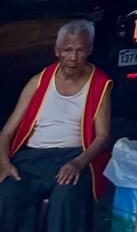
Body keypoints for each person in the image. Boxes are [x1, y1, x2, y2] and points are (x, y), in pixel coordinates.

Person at [0, 21, 112, 232]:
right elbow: (6, 132)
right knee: (5, 195)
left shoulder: (99, 83)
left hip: (73, 157)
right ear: (57, 51)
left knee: (65, 198)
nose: (73, 57)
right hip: (32, 160)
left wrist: (78, 163)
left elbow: (103, 136)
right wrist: (4, 163)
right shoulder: (39, 81)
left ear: (89, 50)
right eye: (67, 50)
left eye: (80, 50)